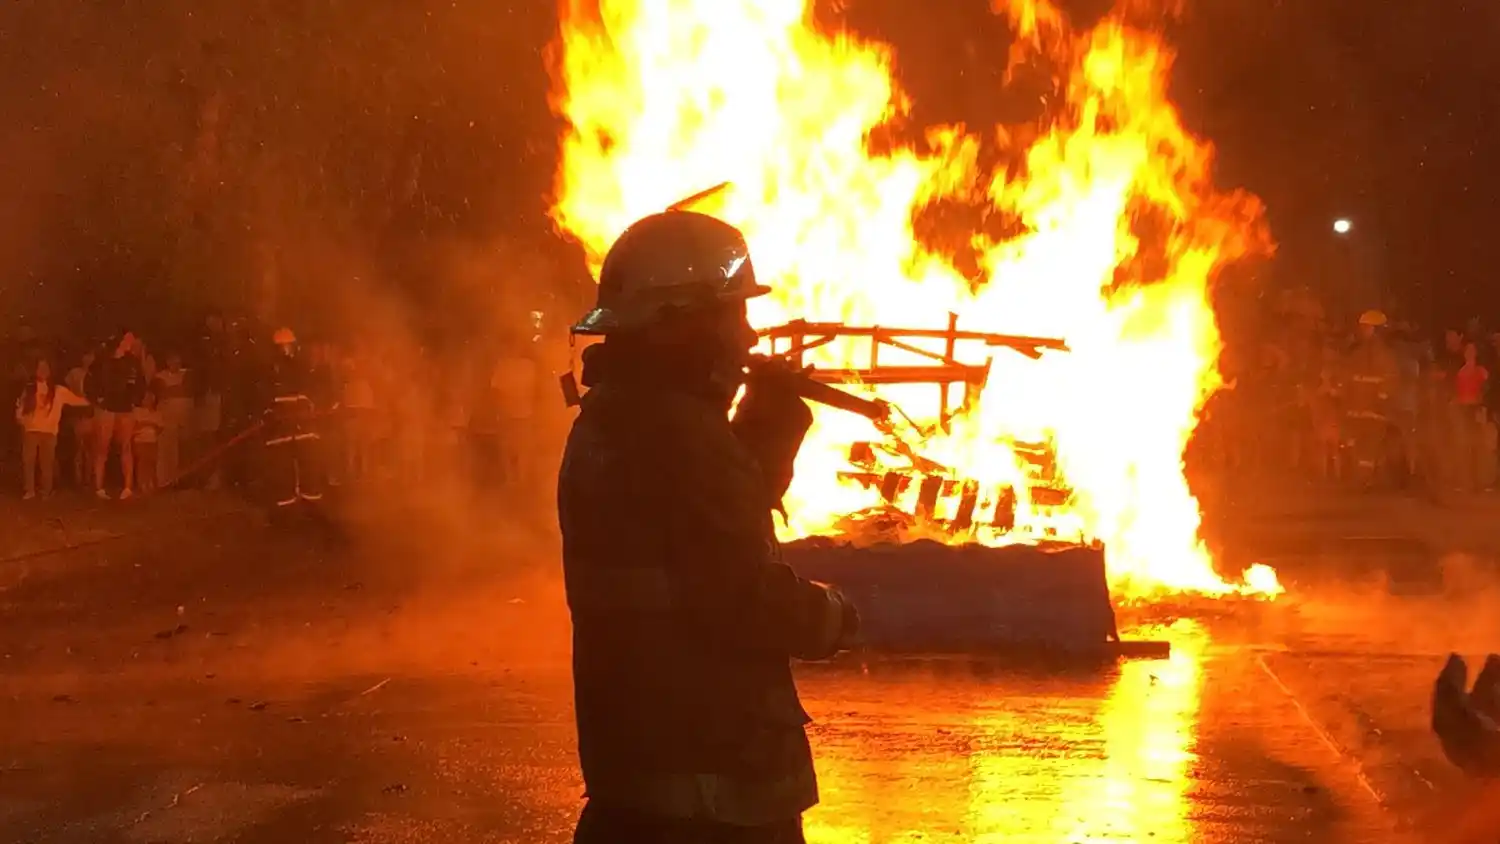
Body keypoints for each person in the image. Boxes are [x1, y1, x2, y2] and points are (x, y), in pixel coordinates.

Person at [558, 211, 860, 844]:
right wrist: (831, 615)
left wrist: (765, 430)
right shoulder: (682, 437)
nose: (747, 337)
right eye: (732, 315)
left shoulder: (612, 422)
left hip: (636, 773)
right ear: (678, 323)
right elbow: (738, 597)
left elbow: (697, 528)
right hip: (715, 794)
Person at [263, 327, 324, 511]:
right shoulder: (274, 369)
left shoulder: (294, 367)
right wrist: (270, 415)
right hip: (286, 425)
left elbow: (308, 393)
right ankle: (292, 501)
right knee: (288, 464)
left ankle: (305, 498)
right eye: (285, 346)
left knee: (305, 462)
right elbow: (267, 397)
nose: (287, 349)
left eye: (289, 345)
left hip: (298, 424)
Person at [13, 359, 90, 499]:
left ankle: (46, 491)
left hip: (49, 432)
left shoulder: (58, 391)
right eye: (40, 368)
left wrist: (92, 400)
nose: (43, 371)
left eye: (45, 368)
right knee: (29, 461)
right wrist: (21, 420)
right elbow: (21, 406)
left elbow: (76, 400)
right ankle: (29, 490)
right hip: (31, 430)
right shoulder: (30, 388)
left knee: (47, 463)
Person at [89, 332, 147, 500]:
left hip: (125, 408)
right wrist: (97, 398)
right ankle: (99, 488)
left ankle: (127, 487)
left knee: (126, 447)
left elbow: (140, 383)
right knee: (102, 447)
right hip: (107, 408)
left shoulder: (133, 362)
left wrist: (135, 400)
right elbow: (90, 380)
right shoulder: (104, 360)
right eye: (128, 338)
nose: (132, 342)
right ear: (120, 341)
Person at [131, 390, 164, 494]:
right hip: (140, 441)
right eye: (146, 398)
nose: (149, 400)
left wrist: (148, 425)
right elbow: (133, 426)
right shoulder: (137, 412)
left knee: (151, 463)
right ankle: (142, 484)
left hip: (152, 441)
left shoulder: (157, 413)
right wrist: (146, 424)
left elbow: (160, 428)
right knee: (142, 463)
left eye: (151, 398)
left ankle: (150, 483)